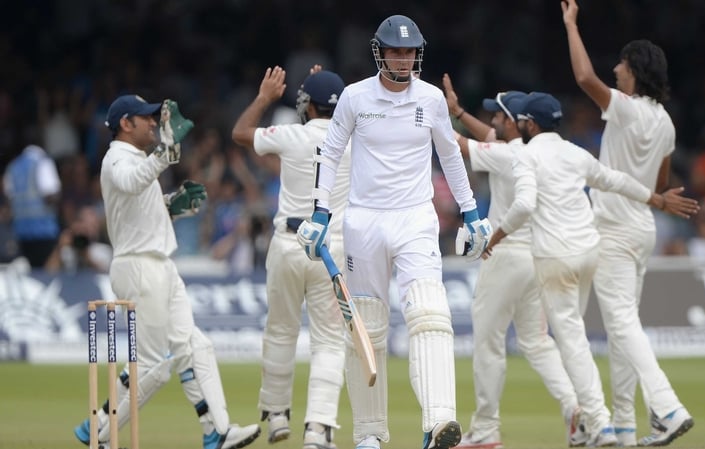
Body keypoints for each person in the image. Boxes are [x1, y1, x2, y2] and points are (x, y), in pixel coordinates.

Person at [296, 15, 491, 449]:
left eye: (409, 51)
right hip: (364, 220)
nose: (403, 59)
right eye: (395, 51)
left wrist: (472, 211)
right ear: (379, 52)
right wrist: (320, 213)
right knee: (367, 326)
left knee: (430, 313)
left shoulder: (432, 99)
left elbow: (451, 156)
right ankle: (368, 435)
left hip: (416, 218)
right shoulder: (354, 97)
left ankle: (439, 421)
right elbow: (329, 153)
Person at [484, 92, 699, 448]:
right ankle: (598, 425)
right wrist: (656, 199)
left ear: (529, 125)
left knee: (572, 342)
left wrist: (495, 236)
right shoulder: (575, 152)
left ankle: (599, 425)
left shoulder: (525, 155)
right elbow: (616, 180)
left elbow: (523, 205)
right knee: (576, 335)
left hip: (555, 257)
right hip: (589, 252)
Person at [73, 94, 261, 449]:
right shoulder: (116, 158)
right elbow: (131, 182)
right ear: (125, 124)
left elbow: (138, 206)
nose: (152, 123)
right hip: (140, 266)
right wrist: (166, 152)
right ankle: (99, 430)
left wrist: (169, 206)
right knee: (154, 367)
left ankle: (216, 431)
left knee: (196, 346)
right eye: (145, 118)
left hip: (160, 264)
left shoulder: (137, 158)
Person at [562, 0, 696, 445]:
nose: (616, 68)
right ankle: (624, 427)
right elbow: (660, 183)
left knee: (620, 325)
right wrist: (660, 198)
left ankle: (669, 408)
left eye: (621, 62)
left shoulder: (624, 108)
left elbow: (584, 79)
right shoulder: (666, 123)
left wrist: (571, 25)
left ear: (634, 71)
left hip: (614, 229)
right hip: (641, 228)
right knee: (623, 329)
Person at [442, 75, 587, 448]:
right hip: (537, 258)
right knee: (537, 342)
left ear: (515, 121)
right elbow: (487, 141)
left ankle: (486, 431)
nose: (492, 121)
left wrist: (428, 116)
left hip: (504, 256)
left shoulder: (508, 155)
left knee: (488, 342)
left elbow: (463, 146)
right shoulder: (532, 151)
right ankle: (574, 408)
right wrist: (457, 111)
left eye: (499, 116)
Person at [231, 64, 350, 449]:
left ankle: (278, 415)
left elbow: (240, 133)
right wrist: (323, 87)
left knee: (280, 331)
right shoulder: (354, 140)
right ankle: (317, 429)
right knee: (330, 342)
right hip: (329, 249)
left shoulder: (291, 134)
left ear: (307, 106)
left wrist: (265, 98)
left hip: (287, 244)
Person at [2, 142, 61, 268]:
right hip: (44, 232)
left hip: (20, 233)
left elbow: (9, 198)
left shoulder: (13, 167)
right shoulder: (42, 162)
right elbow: (49, 194)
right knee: (45, 275)